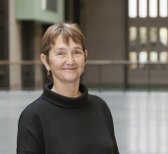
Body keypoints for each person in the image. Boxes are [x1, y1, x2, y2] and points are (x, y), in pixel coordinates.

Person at [16, 22, 119, 154]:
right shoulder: (33, 116)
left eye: (76, 52)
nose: (70, 61)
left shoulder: (100, 107)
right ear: (46, 61)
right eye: (61, 53)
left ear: (85, 57)